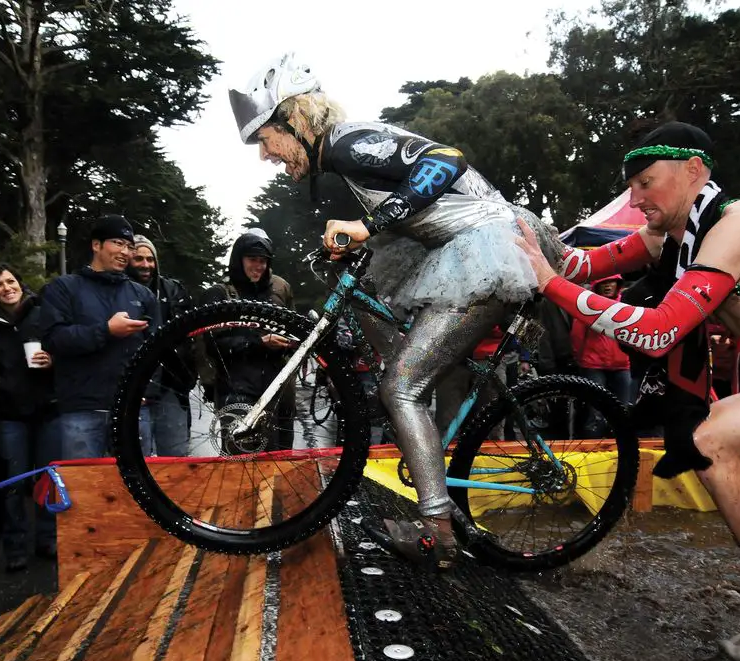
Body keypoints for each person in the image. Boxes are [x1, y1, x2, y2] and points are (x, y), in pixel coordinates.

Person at [514, 121, 740, 661]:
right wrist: (519, 237)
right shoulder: (669, 237)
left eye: (647, 183)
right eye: (631, 186)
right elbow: (579, 265)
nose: (635, 198)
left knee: (709, 437)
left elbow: (657, 330)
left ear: (693, 171)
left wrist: (549, 284)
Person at [228, 53, 562, 569]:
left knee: (401, 386)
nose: (266, 155)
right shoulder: (342, 153)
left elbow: (446, 159)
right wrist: (361, 235)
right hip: (474, 246)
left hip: (491, 247)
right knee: (408, 360)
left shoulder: (345, 140)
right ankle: (449, 485)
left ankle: (438, 534)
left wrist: (372, 222)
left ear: (292, 120)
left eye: (265, 140)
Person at [40, 215, 160, 459]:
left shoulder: (142, 295)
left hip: (133, 407)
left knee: (139, 488)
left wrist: (149, 390)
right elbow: (54, 339)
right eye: (117, 243)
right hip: (82, 407)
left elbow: (157, 347)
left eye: (129, 246)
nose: (125, 252)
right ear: (96, 245)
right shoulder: (64, 288)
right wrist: (106, 330)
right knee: (85, 489)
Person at [0, 264, 60, 570]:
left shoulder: (43, 313)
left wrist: (53, 361)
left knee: (48, 477)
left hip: (47, 408)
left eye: (11, 280)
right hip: (10, 415)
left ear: (20, 284)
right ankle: (15, 545)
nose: (7, 287)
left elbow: (64, 346)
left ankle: (48, 538)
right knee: (12, 482)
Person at [202, 229, 297, 452]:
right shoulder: (219, 294)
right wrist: (259, 342)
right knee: (241, 467)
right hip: (236, 392)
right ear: (238, 259)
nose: (258, 266)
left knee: (279, 468)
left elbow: (293, 334)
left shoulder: (274, 294)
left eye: (263, 260)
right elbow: (213, 344)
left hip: (275, 393)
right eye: (252, 259)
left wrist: (288, 343)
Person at [128, 235, 196, 456]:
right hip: (133, 385)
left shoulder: (172, 289)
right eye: (138, 258)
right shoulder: (119, 290)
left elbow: (189, 335)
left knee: (176, 456)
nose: (145, 265)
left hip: (171, 385)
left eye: (150, 259)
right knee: (136, 457)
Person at [569, 274, 631, 435]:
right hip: (593, 364)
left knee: (622, 410)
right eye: (604, 282)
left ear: (618, 284)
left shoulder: (626, 304)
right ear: (597, 284)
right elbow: (577, 333)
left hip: (622, 364)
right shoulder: (589, 305)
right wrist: (580, 358)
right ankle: (592, 447)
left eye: (611, 281)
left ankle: (622, 447)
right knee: (595, 411)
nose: (608, 285)